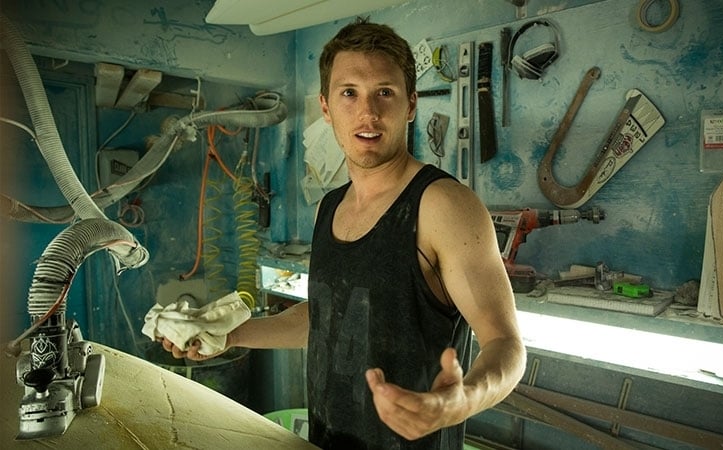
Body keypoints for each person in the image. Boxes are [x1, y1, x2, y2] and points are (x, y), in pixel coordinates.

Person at [162, 17, 526, 449]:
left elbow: (505, 343)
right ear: (326, 107)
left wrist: (463, 399)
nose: (368, 112)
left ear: (411, 104)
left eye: (384, 92)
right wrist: (230, 335)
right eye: (349, 93)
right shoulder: (329, 208)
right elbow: (327, 316)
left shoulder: (443, 206)